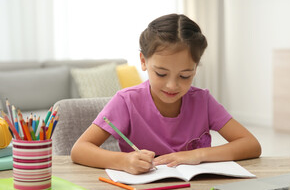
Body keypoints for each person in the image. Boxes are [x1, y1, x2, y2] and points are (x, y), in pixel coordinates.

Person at [71, 13, 261, 174]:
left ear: (196, 68)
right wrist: (123, 161)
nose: (172, 85)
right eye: (161, 73)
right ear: (143, 61)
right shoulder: (126, 101)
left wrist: (195, 155)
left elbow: (250, 144)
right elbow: (79, 150)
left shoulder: (203, 101)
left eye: (185, 75)